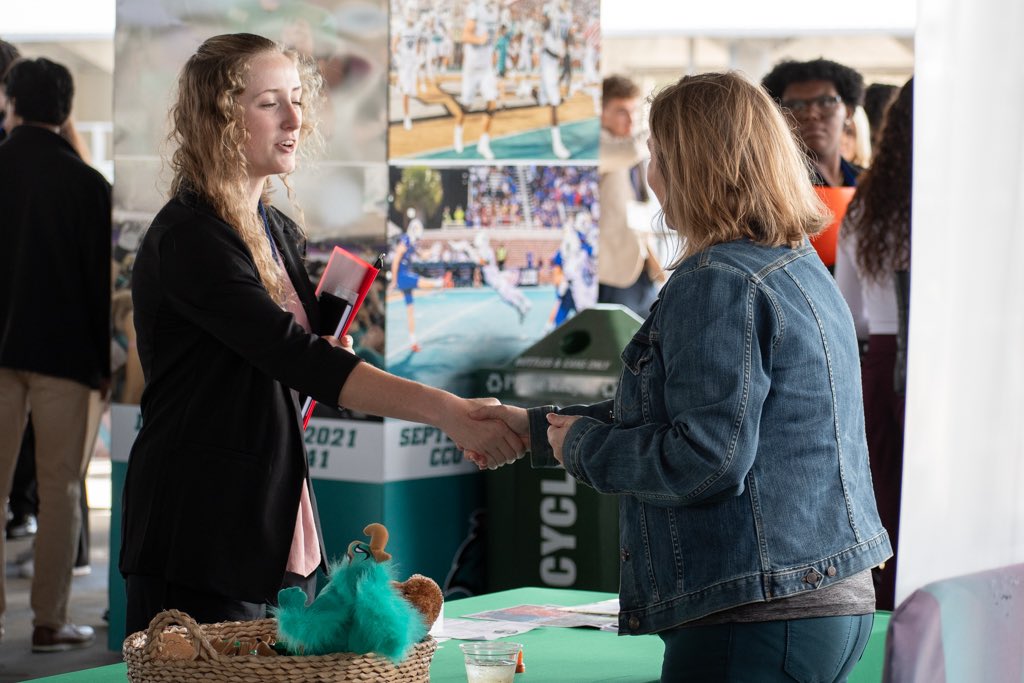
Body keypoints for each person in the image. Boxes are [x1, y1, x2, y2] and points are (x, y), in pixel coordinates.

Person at [470, 72, 892, 682]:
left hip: (755, 610)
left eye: (658, 154)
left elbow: (706, 458)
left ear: (693, 165)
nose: (650, 172)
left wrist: (578, 445)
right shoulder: (793, 263)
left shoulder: (718, 278)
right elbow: (682, 415)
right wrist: (535, 430)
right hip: (816, 597)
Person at [120, 33, 523, 636]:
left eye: (297, 99)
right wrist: (450, 412)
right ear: (220, 117)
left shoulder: (275, 228)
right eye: (268, 103)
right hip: (201, 527)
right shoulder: (192, 239)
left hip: (275, 514)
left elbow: (292, 360)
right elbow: (298, 359)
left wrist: (323, 355)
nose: (294, 119)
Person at [0, 57, 112, 652]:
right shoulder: (89, 186)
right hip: (66, 359)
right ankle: (49, 621)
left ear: (9, 103)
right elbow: (101, 285)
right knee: (61, 487)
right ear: (66, 111)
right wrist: (104, 367)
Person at [834, 78, 914, 611]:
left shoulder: (867, 207)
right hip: (939, 365)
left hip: (881, 362)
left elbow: (851, 313)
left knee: (888, 501)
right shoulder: (976, 200)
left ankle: (888, 617)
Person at [596, 74, 666, 318]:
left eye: (634, 111)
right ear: (601, 112)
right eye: (621, 111)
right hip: (611, 272)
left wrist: (652, 259)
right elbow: (628, 150)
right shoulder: (598, 148)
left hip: (640, 268)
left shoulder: (631, 152)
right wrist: (663, 126)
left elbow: (637, 209)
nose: (631, 119)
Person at [761, 58, 866, 188]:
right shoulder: (774, 188)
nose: (811, 114)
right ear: (779, 115)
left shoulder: (866, 183)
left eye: (826, 102)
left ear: (848, 112)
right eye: (796, 105)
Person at [389, 210, 450, 353]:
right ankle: (440, 283)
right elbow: (396, 259)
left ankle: (412, 341)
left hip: (403, 275)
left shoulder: (411, 242)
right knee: (420, 281)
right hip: (402, 275)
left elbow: (422, 255)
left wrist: (434, 250)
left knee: (410, 310)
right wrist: (393, 279)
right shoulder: (405, 240)